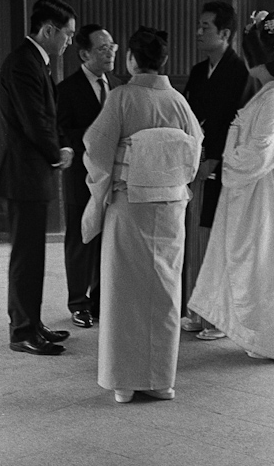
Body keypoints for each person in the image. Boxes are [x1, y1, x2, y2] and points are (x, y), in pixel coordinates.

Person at [188, 8, 274, 361]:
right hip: (253, 197)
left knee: (263, 268)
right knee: (253, 268)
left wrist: (228, 155)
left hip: (263, 200)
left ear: (256, 57)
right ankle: (261, 335)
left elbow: (256, 156)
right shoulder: (269, 95)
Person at [81, 26, 203, 403]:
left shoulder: (121, 98)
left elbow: (97, 149)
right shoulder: (179, 102)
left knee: (124, 292)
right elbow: (193, 154)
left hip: (129, 205)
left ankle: (125, 381)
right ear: (164, 60)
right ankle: (161, 379)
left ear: (132, 58)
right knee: (164, 292)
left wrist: (104, 186)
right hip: (168, 208)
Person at [0, 0, 77, 355]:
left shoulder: (33, 61)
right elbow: (34, 119)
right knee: (26, 257)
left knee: (33, 255)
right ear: (48, 30)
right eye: (67, 35)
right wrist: (56, 151)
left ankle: (31, 321)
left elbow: (46, 114)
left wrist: (61, 145)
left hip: (29, 173)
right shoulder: (23, 63)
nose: (69, 42)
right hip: (22, 173)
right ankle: (22, 331)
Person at [182, 1, 253, 340]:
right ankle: (198, 311)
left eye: (205, 27)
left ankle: (220, 319)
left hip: (222, 167)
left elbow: (236, 125)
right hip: (195, 163)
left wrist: (214, 157)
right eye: (198, 25)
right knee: (196, 238)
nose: (198, 31)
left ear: (225, 34)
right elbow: (188, 116)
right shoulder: (198, 72)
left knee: (216, 240)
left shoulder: (241, 74)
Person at [57, 24, 121, 328]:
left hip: (113, 176)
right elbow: (62, 131)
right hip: (81, 174)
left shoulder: (120, 86)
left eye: (112, 47)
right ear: (84, 53)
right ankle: (78, 302)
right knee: (80, 237)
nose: (110, 52)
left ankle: (99, 298)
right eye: (102, 48)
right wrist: (98, 137)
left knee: (107, 237)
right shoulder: (66, 89)